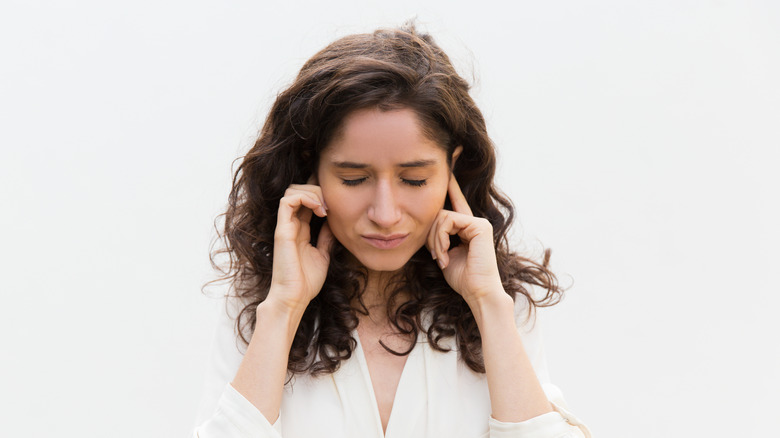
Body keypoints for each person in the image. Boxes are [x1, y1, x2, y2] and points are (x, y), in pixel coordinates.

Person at [192, 23, 591, 438]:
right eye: (353, 179)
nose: (385, 214)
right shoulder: (260, 302)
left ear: (452, 167)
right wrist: (283, 311)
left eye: (415, 180)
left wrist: (489, 304)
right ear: (312, 170)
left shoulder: (500, 299)